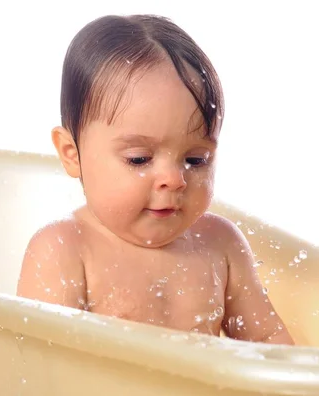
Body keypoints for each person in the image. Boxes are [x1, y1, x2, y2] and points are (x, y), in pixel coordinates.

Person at [17, 14, 294, 345]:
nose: (174, 179)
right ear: (71, 153)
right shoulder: (64, 250)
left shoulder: (221, 244)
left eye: (196, 160)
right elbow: (40, 369)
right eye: (139, 159)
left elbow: (268, 340)